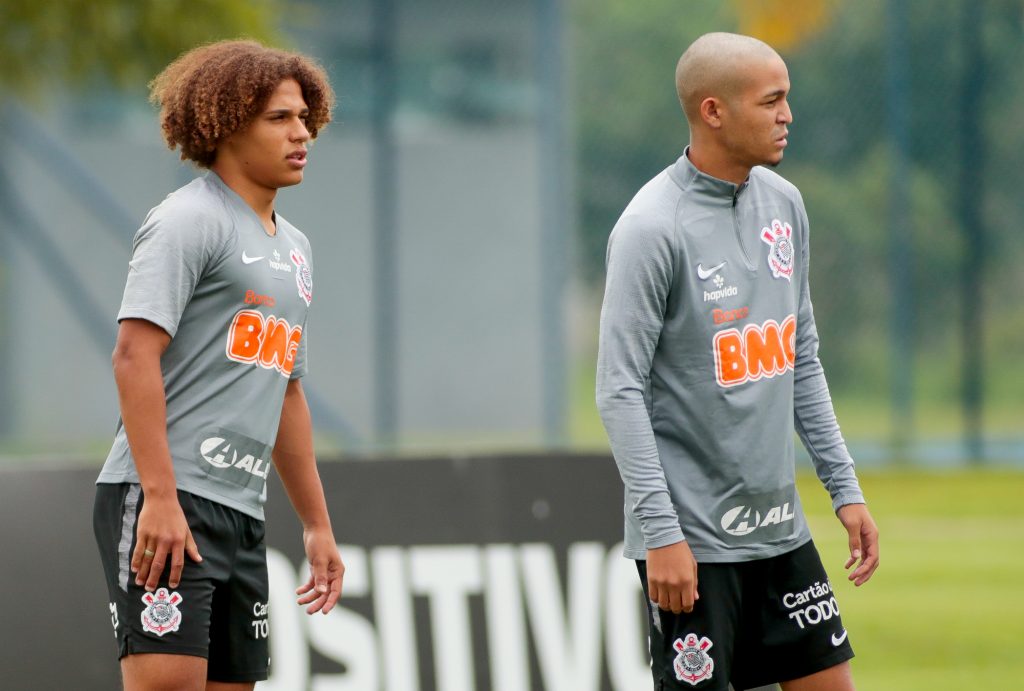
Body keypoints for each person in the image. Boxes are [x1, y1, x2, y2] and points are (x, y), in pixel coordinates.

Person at [595, 32, 879, 691]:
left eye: (788, 99)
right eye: (771, 100)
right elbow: (619, 389)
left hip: (780, 530)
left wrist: (845, 488)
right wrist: (662, 534)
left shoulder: (786, 205)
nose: (788, 115)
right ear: (714, 111)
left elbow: (800, 357)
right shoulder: (651, 227)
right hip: (691, 544)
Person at [93, 40, 344, 690]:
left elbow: (286, 391)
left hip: (241, 509)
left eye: (304, 116)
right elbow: (132, 355)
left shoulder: (296, 249)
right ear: (229, 123)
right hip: (166, 500)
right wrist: (160, 497)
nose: (302, 132)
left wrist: (316, 524)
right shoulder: (187, 222)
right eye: (280, 118)